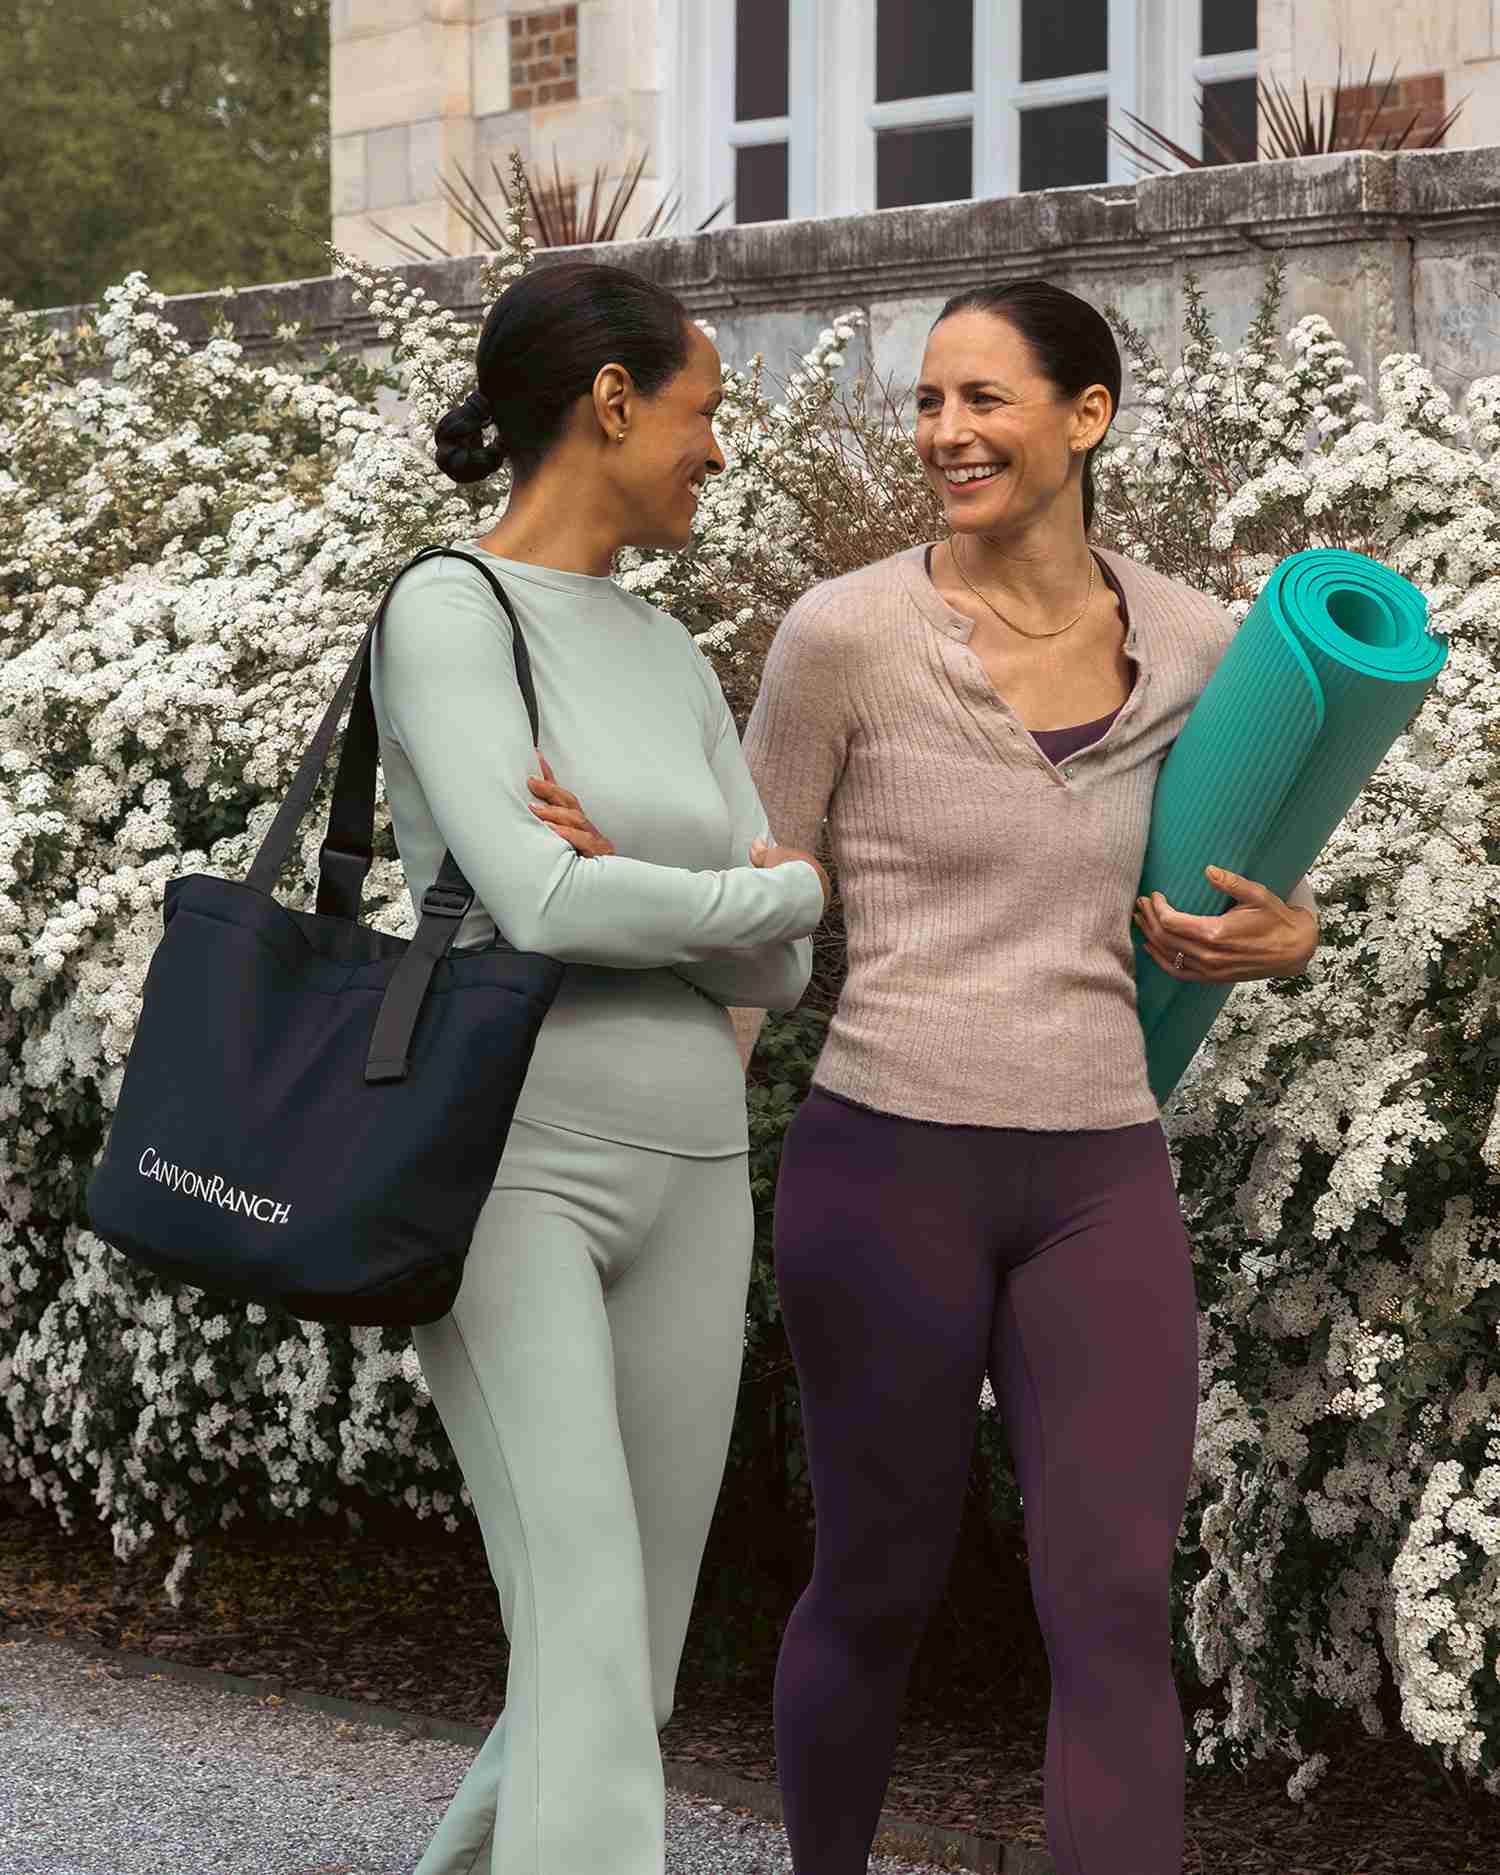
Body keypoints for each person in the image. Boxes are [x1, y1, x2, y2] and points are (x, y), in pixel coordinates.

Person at [720, 280, 1323, 1875]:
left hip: (1097, 1176)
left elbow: (1274, 864)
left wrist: (1290, 939)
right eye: (929, 403)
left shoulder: (1202, 644)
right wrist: (684, 1145)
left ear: (1086, 416)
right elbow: (761, 914)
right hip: (883, 1161)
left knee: (1116, 1599)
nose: (945, 433)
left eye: (983, 399)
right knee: (877, 1579)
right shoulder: (843, 634)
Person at [369, 259, 830, 1875]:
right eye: (702, 412)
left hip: (695, 1174)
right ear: (613, 402)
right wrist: (746, 887)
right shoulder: (449, 608)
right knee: (577, 1629)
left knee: (622, 1671)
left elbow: (778, 958)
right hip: (513, 1173)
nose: (718, 450)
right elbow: (541, 898)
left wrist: (685, 882)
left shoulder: (669, 654)